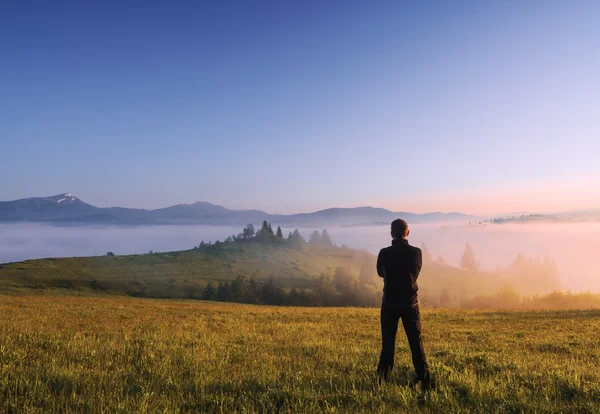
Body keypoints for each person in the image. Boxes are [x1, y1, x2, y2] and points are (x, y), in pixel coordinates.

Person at [376, 219, 431, 387]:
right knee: (416, 342)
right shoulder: (416, 252)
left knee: (388, 342)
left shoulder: (384, 253)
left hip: (390, 302)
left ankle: (383, 378)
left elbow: (380, 273)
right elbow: (416, 272)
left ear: (391, 233)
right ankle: (424, 378)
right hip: (410, 303)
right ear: (407, 233)